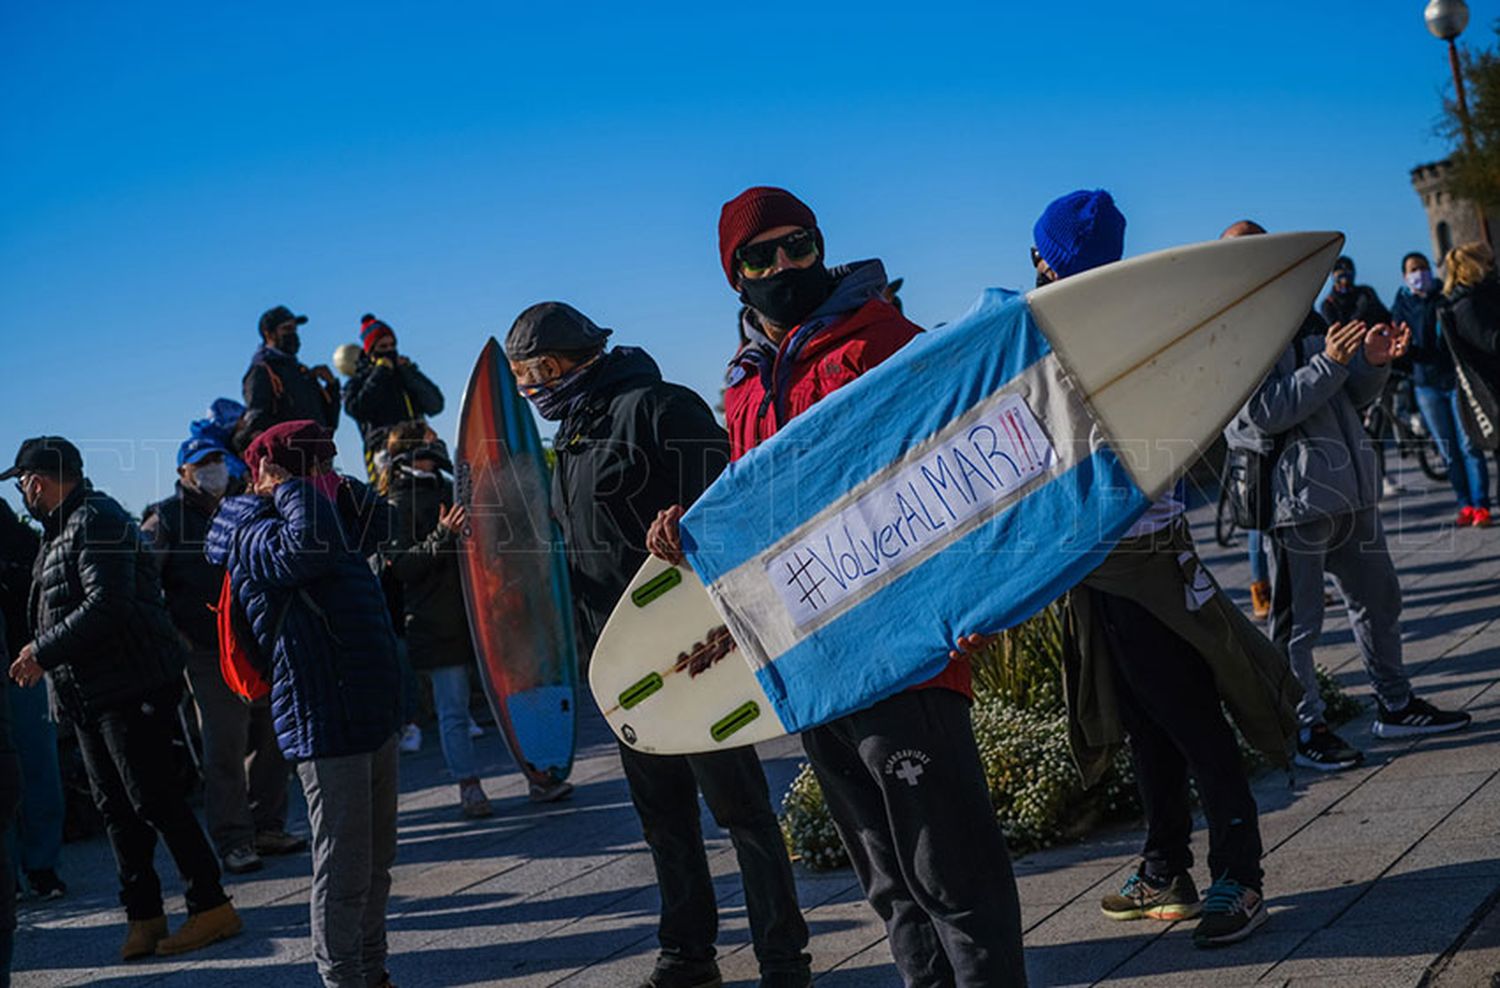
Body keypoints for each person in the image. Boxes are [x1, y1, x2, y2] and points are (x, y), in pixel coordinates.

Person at [649, 187, 1027, 987]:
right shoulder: (744, 384)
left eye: (801, 246)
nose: (786, 265)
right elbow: (764, 511)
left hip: (907, 653)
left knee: (952, 877)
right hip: (815, 662)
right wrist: (692, 537)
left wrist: (981, 598)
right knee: (889, 886)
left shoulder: (883, 339)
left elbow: (966, 468)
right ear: (735, 275)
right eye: (763, 255)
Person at [506, 300, 809, 988]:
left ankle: (783, 960)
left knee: (741, 813)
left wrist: (686, 521)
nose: (535, 387)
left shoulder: (660, 406)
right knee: (664, 820)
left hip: (691, 653)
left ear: (582, 355)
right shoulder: (573, 437)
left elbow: (728, 504)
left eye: (543, 370)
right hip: (622, 664)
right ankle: (688, 957)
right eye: (525, 376)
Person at [1025, 199, 1300, 947]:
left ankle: (1238, 875)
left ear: (1050, 260)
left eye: (1042, 256)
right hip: (1099, 562)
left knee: (1189, 719)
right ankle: (1165, 866)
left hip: (1142, 557)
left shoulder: (1122, 331)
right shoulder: (1063, 333)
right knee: (1146, 721)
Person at [1224, 223, 1471, 772]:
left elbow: (1347, 395)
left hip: (1348, 490)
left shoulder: (1310, 317)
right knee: (1298, 626)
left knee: (1380, 601)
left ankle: (1395, 703)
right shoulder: (1236, 332)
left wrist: (1372, 364)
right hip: (1294, 503)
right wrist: (1332, 363)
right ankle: (1305, 727)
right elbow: (1263, 413)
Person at [3, 436, 241, 959]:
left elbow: (108, 603)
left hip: (130, 686)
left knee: (154, 799)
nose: (22, 492)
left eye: (21, 482)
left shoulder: (98, 518)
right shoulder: (57, 530)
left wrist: (41, 651)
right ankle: (145, 915)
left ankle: (210, 905)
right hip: (88, 694)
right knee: (116, 808)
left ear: (37, 480)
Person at [205, 420, 402, 988]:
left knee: (377, 862)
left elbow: (384, 524)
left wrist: (335, 484)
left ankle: (373, 969)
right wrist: (288, 487)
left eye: (328, 464)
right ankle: (343, 978)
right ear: (275, 472)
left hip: (368, 709)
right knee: (344, 868)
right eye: (315, 464)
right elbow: (306, 553)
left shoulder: (324, 513)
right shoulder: (251, 527)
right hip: (322, 716)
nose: (326, 475)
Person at [143, 434, 304, 875]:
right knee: (225, 746)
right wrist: (176, 638)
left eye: (216, 459)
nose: (212, 468)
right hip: (206, 652)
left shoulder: (240, 505)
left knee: (275, 735)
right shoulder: (165, 519)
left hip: (255, 642)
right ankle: (234, 839)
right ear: (183, 473)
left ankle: (268, 825)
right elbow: (144, 583)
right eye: (201, 462)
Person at [382, 426, 496, 819]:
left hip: (477, 612)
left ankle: (539, 768)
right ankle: (469, 785)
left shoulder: (450, 488)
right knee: (453, 709)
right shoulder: (395, 503)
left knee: (509, 696)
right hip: (436, 618)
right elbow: (403, 566)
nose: (437, 447)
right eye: (428, 442)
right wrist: (443, 535)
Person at [1394, 251, 1492, 527]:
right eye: (1413, 269)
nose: (1419, 274)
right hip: (1425, 384)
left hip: (1455, 381)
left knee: (1469, 445)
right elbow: (1403, 346)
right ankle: (1464, 503)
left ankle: (1481, 505)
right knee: (1448, 449)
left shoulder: (1444, 298)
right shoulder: (1402, 305)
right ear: (1404, 276)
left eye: (1423, 268)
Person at [0, 499, 65, 900]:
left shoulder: (10, 527)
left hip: (21, 663)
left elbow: (36, 579)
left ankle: (41, 866)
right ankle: (9, 876)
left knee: (38, 765)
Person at [343, 314, 445, 481]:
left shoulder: (404, 375)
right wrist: (380, 372)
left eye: (392, 345)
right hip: (385, 451)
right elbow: (357, 408)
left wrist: (409, 373)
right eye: (383, 346)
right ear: (371, 351)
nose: (389, 350)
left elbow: (435, 405)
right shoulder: (358, 382)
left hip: (420, 446)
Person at [234, 305, 340, 453]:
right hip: (289, 461)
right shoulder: (263, 372)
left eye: (295, 329)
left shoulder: (303, 372)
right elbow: (257, 421)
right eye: (286, 329)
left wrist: (332, 386)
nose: (293, 335)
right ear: (269, 334)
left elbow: (329, 422)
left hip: (317, 460)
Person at [1439, 241, 1500, 472]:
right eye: (1489, 262)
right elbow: (1492, 342)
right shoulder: (1467, 306)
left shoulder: (1485, 296)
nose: (1493, 267)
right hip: (1493, 391)